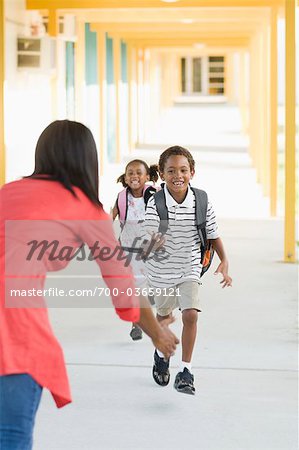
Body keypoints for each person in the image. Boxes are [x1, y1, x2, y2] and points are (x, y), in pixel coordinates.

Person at [0, 120, 178, 450]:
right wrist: (157, 332)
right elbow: (123, 288)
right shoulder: (86, 208)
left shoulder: (8, 191)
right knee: (10, 436)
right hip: (14, 331)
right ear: (87, 159)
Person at [144, 145, 232, 395]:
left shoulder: (201, 200)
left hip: (189, 267)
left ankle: (186, 370)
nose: (177, 175)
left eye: (183, 170)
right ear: (161, 174)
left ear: (192, 172)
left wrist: (224, 261)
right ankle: (161, 355)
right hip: (161, 271)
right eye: (171, 171)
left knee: (190, 314)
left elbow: (213, 234)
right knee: (163, 317)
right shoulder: (156, 204)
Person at [112, 159, 159, 341]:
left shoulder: (154, 195)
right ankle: (136, 324)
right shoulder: (122, 197)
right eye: (130, 173)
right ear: (125, 177)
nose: (134, 176)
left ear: (147, 176)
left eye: (139, 172)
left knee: (154, 279)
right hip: (129, 248)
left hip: (151, 248)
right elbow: (112, 215)